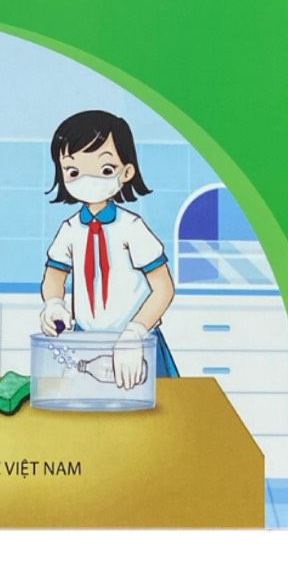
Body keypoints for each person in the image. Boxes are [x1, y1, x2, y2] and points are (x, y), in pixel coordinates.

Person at [40, 109, 179, 386]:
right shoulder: (70, 230)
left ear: (127, 171)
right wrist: (54, 303)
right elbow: (54, 276)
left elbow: (164, 288)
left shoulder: (132, 228)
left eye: (105, 169)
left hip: (139, 345)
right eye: (73, 171)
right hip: (86, 344)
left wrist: (135, 333)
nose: (88, 180)